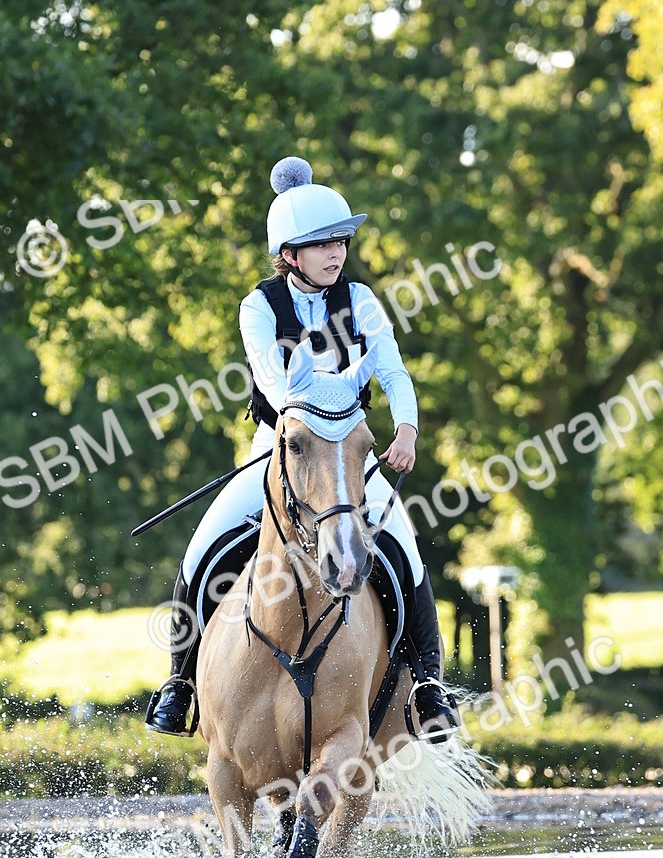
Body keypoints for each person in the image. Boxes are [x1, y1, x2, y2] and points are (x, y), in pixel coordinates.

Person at [145, 156, 458, 742]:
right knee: (201, 550)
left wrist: (407, 429)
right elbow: (273, 382)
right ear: (289, 253)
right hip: (282, 447)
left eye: (340, 241)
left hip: (351, 451)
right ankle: (179, 683)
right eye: (321, 245)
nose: (336, 253)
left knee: (407, 553)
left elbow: (392, 372)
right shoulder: (258, 307)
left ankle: (428, 687)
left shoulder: (361, 299)